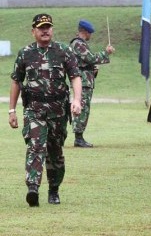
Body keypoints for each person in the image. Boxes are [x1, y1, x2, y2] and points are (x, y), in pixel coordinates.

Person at [8, 13, 82, 207]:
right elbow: (16, 81)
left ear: (52, 29)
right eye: (41, 28)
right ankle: (33, 187)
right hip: (34, 110)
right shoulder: (25, 53)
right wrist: (11, 110)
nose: (45, 30)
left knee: (55, 150)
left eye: (48, 27)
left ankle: (54, 189)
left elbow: (75, 76)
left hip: (58, 110)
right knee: (35, 146)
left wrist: (76, 100)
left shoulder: (63, 51)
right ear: (33, 31)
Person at [70, 20, 114, 147]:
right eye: (90, 33)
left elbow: (86, 62)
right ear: (85, 32)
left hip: (85, 81)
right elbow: (90, 58)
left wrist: (93, 68)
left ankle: (79, 137)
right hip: (82, 82)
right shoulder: (78, 44)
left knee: (84, 109)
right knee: (81, 109)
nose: (91, 35)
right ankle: (78, 138)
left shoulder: (80, 44)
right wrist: (106, 53)